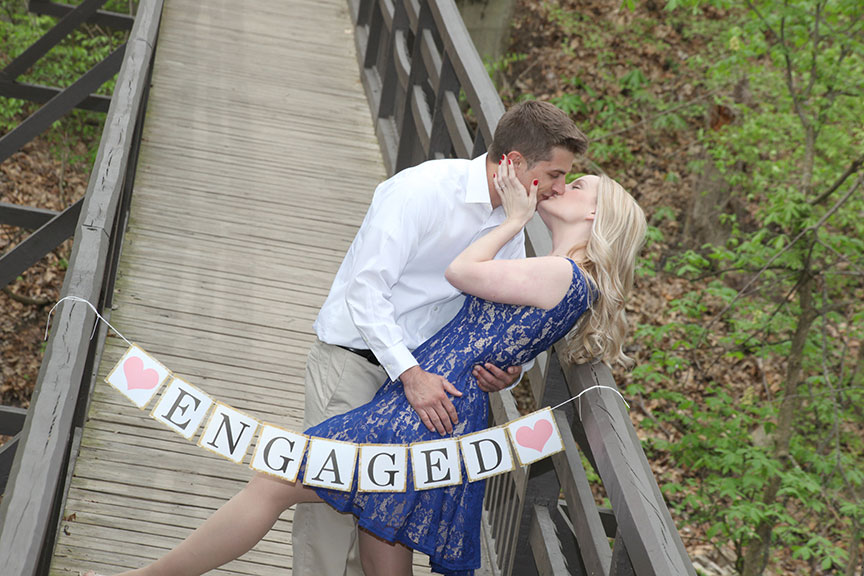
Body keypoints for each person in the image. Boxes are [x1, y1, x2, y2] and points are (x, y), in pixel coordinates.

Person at [87, 159, 647, 576]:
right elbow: (505, 338)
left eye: (576, 186)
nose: (560, 187)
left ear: (594, 213)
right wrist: (511, 369)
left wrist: (512, 219)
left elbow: (461, 270)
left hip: (421, 414)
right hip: (437, 409)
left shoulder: (560, 274)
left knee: (275, 481)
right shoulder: (566, 276)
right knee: (383, 541)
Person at [294, 100, 587, 576]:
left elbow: (493, 321)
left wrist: (508, 374)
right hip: (358, 360)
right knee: (330, 510)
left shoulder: (511, 224)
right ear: (514, 163)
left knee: (379, 514)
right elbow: (365, 291)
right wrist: (409, 373)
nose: (558, 187)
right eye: (555, 173)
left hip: (420, 386)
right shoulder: (422, 190)